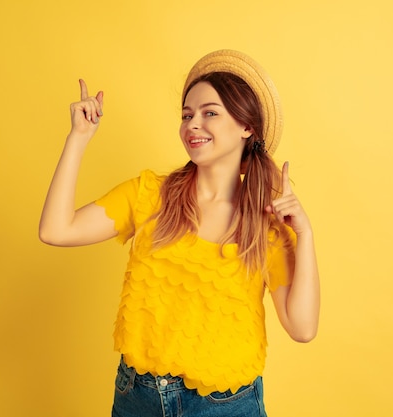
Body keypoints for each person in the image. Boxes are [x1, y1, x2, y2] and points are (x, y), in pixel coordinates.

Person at [39, 49, 320, 417]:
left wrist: (306, 235)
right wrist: (78, 137)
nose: (192, 124)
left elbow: (302, 328)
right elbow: (56, 230)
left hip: (226, 406)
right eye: (187, 115)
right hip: (137, 396)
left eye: (210, 113)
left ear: (246, 126)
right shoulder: (147, 195)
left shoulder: (267, 225)